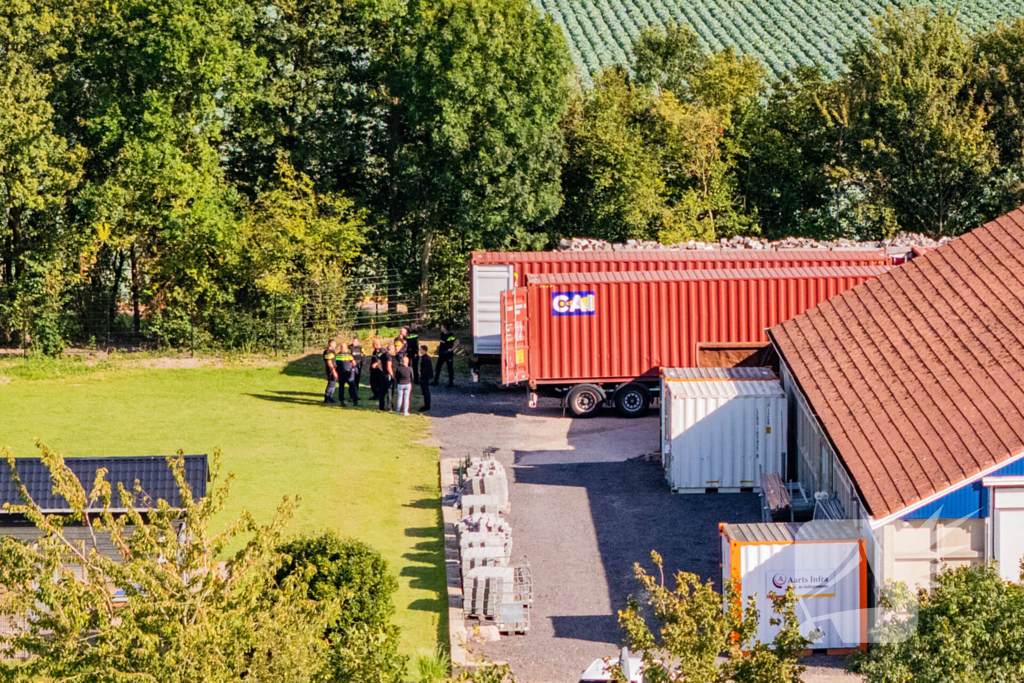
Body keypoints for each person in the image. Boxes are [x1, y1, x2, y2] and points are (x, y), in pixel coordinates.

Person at [336, 343, 358, 407]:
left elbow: (336, 364)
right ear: (345, 348)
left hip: (341, 373)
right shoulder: (348, 355)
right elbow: (354, 362)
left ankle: (341, 401)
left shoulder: (338, 355)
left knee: (341, 388)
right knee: (353, 386)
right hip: (348, 373)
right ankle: (355, 401)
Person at [419, 345, 433, 412]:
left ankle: (427, 405)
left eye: (420, 349)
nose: (420, 351)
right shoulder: (426, 358)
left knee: (426, 391)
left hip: (425, 377)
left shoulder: (425, 358)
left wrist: (422, 376)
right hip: (426, 376)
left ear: (424, 350)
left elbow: (425, 369)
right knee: (425, 391)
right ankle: (426, 404)